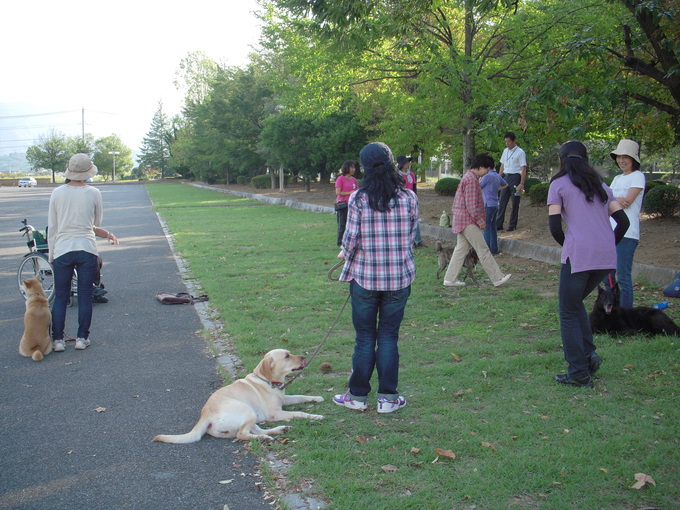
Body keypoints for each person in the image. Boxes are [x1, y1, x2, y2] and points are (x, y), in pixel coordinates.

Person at [333, 142, 418, 414]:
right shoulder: (409, 198)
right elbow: (411, 235)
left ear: (366, 167)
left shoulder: (358, 198)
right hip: (398, 279)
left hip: (366, 280)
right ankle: (388, 398)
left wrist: (344, 253)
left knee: (365, 338)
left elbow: (350, 239)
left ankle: (357, 396)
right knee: (389, 337)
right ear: (392, 163)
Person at [547, 140, 629, 388]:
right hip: (604, 257)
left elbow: (554, 227)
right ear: (585, 160)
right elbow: (622, 222)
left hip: (579, 256)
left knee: (568, 310)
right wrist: (603, 247)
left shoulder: (558, 185)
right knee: (574, 304)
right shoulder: (601, 186)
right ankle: (589, 357)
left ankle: (579, 373)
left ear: (562, 159)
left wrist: (573, 246)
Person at [48, 154, 113, 351]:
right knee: (85, 295)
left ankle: (58, 339)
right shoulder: (94, 192)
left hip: (63, 247)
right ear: (87, 172)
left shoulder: (57, 193)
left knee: (61, 296)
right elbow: (97, 221)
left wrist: (51, 254)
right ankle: (82, 338)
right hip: (86, 246)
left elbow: (53, 226)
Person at [442, 154, 512, 288]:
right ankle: (497, 278)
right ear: (480, 167)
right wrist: (480, 221)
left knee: (460, 250)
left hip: (462, 219)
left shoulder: (469, 178)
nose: (486, 173)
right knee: (483, 249)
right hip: (468, 220)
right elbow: (471, 205)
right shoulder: (472, 180)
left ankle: (450, 279)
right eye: (486, 169)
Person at [604, 139, 645, 308]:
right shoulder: (617, 178)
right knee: (607, 274)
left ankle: (626, 315)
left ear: (633, 159)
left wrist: (614, 200)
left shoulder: (638, 176)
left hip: (628, 233)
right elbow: (606, 203)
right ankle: (611, 310)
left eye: (625, 157)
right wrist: (613, 201)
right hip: (610, 231)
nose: (621, 160)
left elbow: (627, 201)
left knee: (623, 276)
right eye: (619, 157)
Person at [497, 132, 527, 231]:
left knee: (515, 202)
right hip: (506, 176)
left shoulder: (520, 152)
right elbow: (502, 165)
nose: (507, 143)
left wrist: (521, 183)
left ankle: (512, 224)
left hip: (515, 177)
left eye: (509, 141)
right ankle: (499, 223)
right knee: (502, 201)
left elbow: (523, 168)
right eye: (506, 142)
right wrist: (499, 178)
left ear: (514, 141)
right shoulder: (505, 151)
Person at [479, 162, 508, 254]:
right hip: (495, 203)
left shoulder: (487, 176)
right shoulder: (497, 176)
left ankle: (486, 250)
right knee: (493, 227)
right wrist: (498, 188)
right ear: (494, 167)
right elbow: (506, 184)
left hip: (487, 204)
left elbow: (478, 186)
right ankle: (494, 249)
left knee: (486, 227)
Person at [397, 155, 425, 247]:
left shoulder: (411, 175)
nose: (408, 164)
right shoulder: (397, 175)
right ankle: (408, 241)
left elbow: (414, 188)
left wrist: (415, 198)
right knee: (404, 220)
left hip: (411, 199)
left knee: (415, 219)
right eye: (406, 163)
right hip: (401, 200)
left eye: (408, 162)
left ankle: (418, 240)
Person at [334, 160, 358, 246]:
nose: (353, 169)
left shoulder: (354, 180)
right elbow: (338, 192)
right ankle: (340, 242)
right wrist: (350, 193)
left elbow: (357, 191)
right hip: (343, 204)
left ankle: (349, 242)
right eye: (351, 167)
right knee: (342, 224)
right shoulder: (340, 179)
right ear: (346, 168)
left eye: (354, 167)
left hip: (352, 205)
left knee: (351, 224)